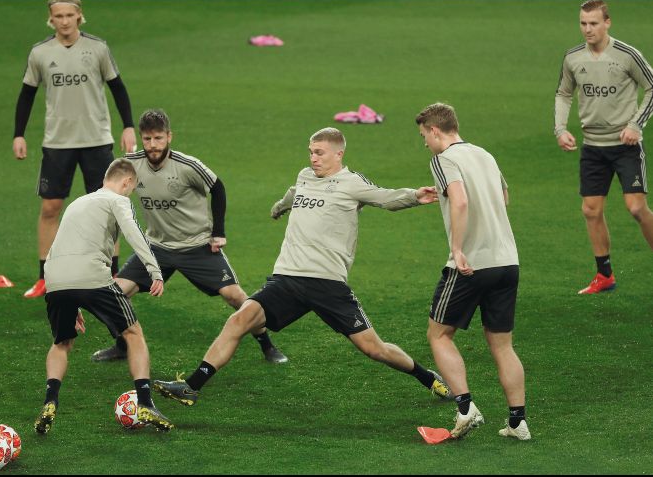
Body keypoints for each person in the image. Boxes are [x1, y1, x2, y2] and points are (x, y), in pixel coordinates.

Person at [151, 127, 453, 412]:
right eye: (311, 151)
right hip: (288, 278)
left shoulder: (351, 183)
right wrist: (280, 207)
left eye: (319, 152)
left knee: (374, 349)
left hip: (327, 283)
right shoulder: (306, 176)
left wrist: (415, 196)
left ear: (338, 154)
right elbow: (295, 192)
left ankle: (428, 377)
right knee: (239, 320)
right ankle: (192, 386)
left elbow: (385, 198)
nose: (313, 158)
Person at [91, 109, 289, 364]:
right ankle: (123, 344)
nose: (153, 145)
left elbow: (217, 188)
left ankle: (267, 345)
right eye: (147, 139)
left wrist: (218, 232)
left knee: (234, 295)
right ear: (141, 138)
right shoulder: (131, 164)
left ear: (169, 137)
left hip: (196, 246)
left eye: (158, 138)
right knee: (115, 293)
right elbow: (110, 192)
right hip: (156, 247)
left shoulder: (187, 166)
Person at [416, 103, 530, 440]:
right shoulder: (485, 155)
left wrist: (457, 248)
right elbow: (504, 197)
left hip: (471, 264)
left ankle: (466, 408)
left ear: (435, 130)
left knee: (438, 335)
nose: (425, 143)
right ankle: (518, 423)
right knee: (502, 345)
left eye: (424, 136)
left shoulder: (443, 159)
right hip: (507, 261)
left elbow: (461, 200)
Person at [34, 158, 173, 434]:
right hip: (93, 277)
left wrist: (70, 298)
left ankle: (50, 401)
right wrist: (154, 271)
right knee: (133, 334)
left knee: (62, 342)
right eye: (131, 188)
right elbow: (134, 233)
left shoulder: (77, 203)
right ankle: (145, 403)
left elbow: (57, 247)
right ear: (127, 182)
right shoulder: (118, 200)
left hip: (56, 279)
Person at [13, 0, 137, 298]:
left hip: (97, 140)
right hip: (58, 143)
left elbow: (118, 88)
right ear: (51, 19)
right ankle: (45, 277)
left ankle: (111, 274)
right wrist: (19, 134)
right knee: (50, 208)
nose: (65, 21)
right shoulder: (40, 53)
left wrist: (128, 126)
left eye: (70, 15)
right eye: (59, 16)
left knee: (107, 208)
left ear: (79, 16)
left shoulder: (97, 48)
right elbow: (27, 94)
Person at [555, 0, 653, 294]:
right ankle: (605, 275)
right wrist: (560, 129)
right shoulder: (573, 58)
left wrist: (636, 124)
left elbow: (652, 87)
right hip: (593, 148)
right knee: (590, 210)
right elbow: (563, 93)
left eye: (594, 23)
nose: (588, 29)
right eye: (583, 23)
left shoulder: (627, 55)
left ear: (607, 22)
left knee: (636, 208)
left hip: (625, 146)